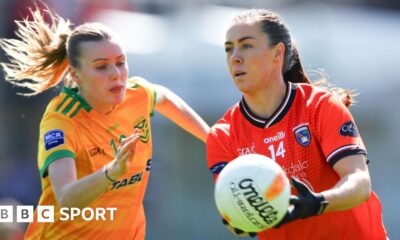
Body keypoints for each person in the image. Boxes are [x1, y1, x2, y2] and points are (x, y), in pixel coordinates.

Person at [0, 6, 209, 240]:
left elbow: (163, 97)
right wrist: (111, 172)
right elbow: (67, 199)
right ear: (76, 74)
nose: (116, 74)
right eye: (101, 66)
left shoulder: (136, 94)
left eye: (120, 62)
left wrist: (212, 139)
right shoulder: (61, 120)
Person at [206, 9, 387, 240]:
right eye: (229, 49)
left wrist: (318, 203)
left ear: (277, 52)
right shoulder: (222, 136)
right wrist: (237, 217)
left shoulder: (319, 106)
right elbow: (234, 210)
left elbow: (360, 183)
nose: (235, 58)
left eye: (246, 45)